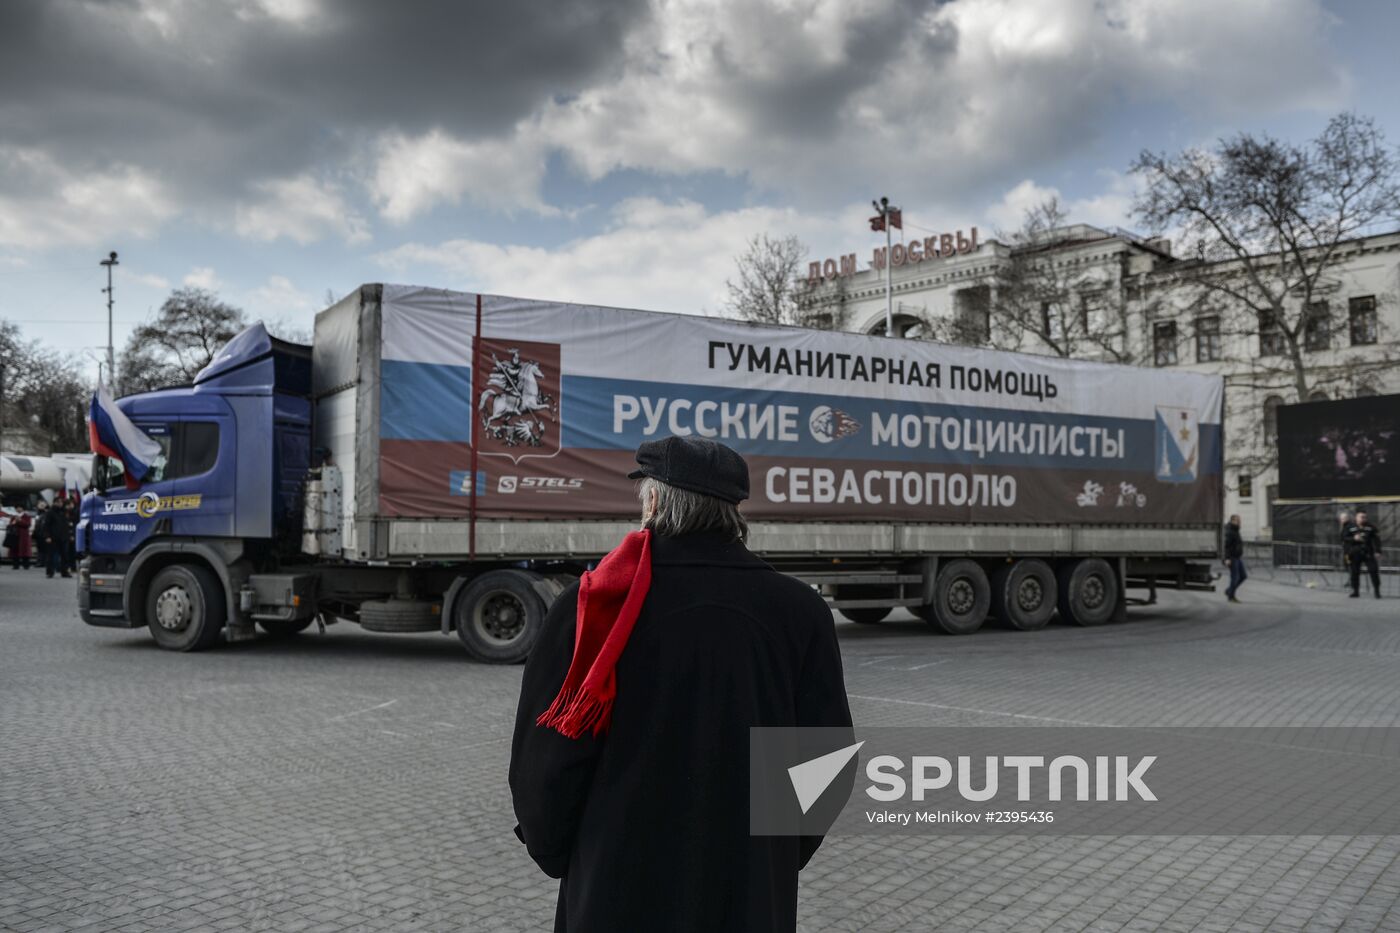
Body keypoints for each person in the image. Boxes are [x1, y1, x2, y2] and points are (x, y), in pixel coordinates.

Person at [510, 436, 853, 933]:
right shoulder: (799, 611)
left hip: (614, 883)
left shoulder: (594, 608)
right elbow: (826, 758)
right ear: (734, 512)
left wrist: (558, 850)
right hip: (749, 890)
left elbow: (544, 760)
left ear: (652, 501)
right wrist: (776, 855)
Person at [1343, 510, 1383, 599]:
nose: (1364, 519)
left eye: (1365, 517)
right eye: (1362, 517)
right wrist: (1353, 538)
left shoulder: (1371, 527)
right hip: (1355, 553)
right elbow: (1344, 537)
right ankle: (1355, 591)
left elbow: (1377, 540)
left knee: (1373, 571)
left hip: (1368, 552)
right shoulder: (1350, 527)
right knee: (1354, 572)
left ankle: (1377, 591)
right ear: (1356, 517)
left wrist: (1378, 551)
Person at [42, 499, 71, 579]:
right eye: (58, 502)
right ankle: (50, 572)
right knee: (51, 556)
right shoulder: (50, 512)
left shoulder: (64, 512)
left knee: (65, 556)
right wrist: (47, 536)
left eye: (61, 502)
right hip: (53, 538)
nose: (60, 503)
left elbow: (67, 525)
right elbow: (46, 525)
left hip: (64, 537)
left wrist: (68, 535)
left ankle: (64, 572)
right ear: (54, 503)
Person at [1222, 514, 1246, 603]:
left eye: (1240, 520)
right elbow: (1225, 546)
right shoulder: (1230, 531)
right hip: (1231, 557)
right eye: (1237, 520)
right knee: (1235, 577)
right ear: (1232, 521)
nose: (1239, 522)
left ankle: (1229, 591)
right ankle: (1231, 597)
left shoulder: (1236, 530)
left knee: (1243, 576)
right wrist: (1226, 558)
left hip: (1237, 557)